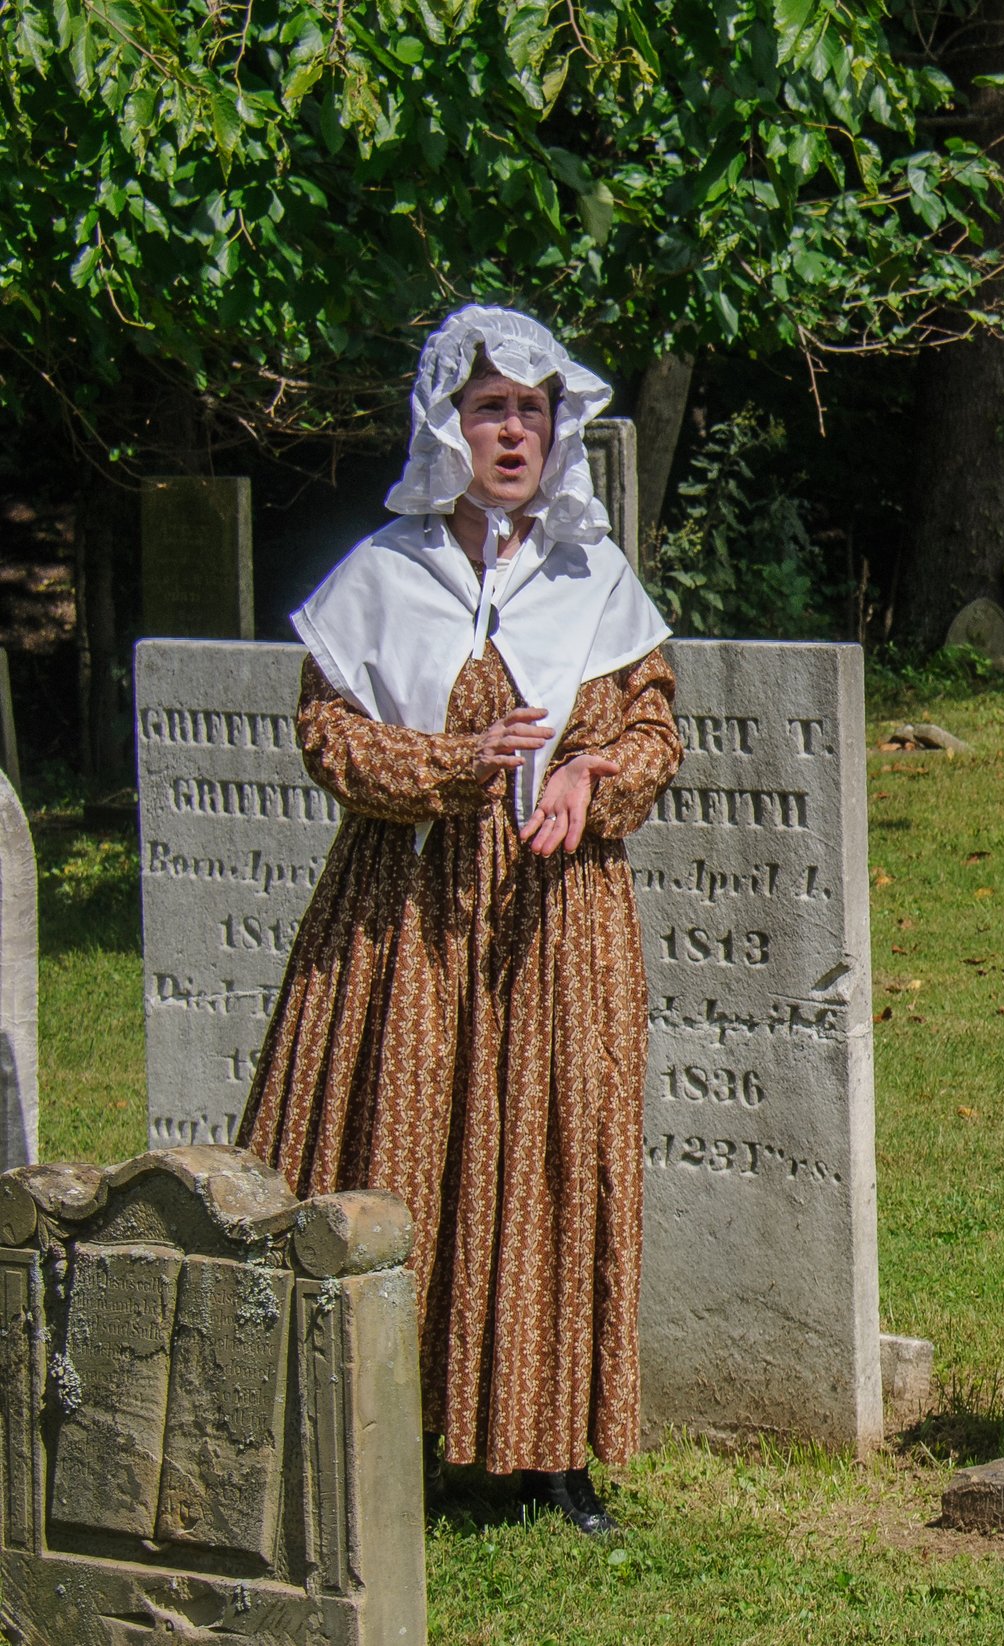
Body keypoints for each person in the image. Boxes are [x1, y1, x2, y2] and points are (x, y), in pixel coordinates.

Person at [241, 305, 682, 1534]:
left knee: (550, 1149)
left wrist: (595, 781)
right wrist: (448, 762)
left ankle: (550, 1452)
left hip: (558, 914)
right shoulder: (384, 574)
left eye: (532, 410)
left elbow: (655, 730)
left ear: (558, 428)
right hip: (410, 918)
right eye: (491, 408)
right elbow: (327, 732)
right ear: (448, 423)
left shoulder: (596, 578)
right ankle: (388, 1420)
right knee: (400, 1137)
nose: (513, 431)